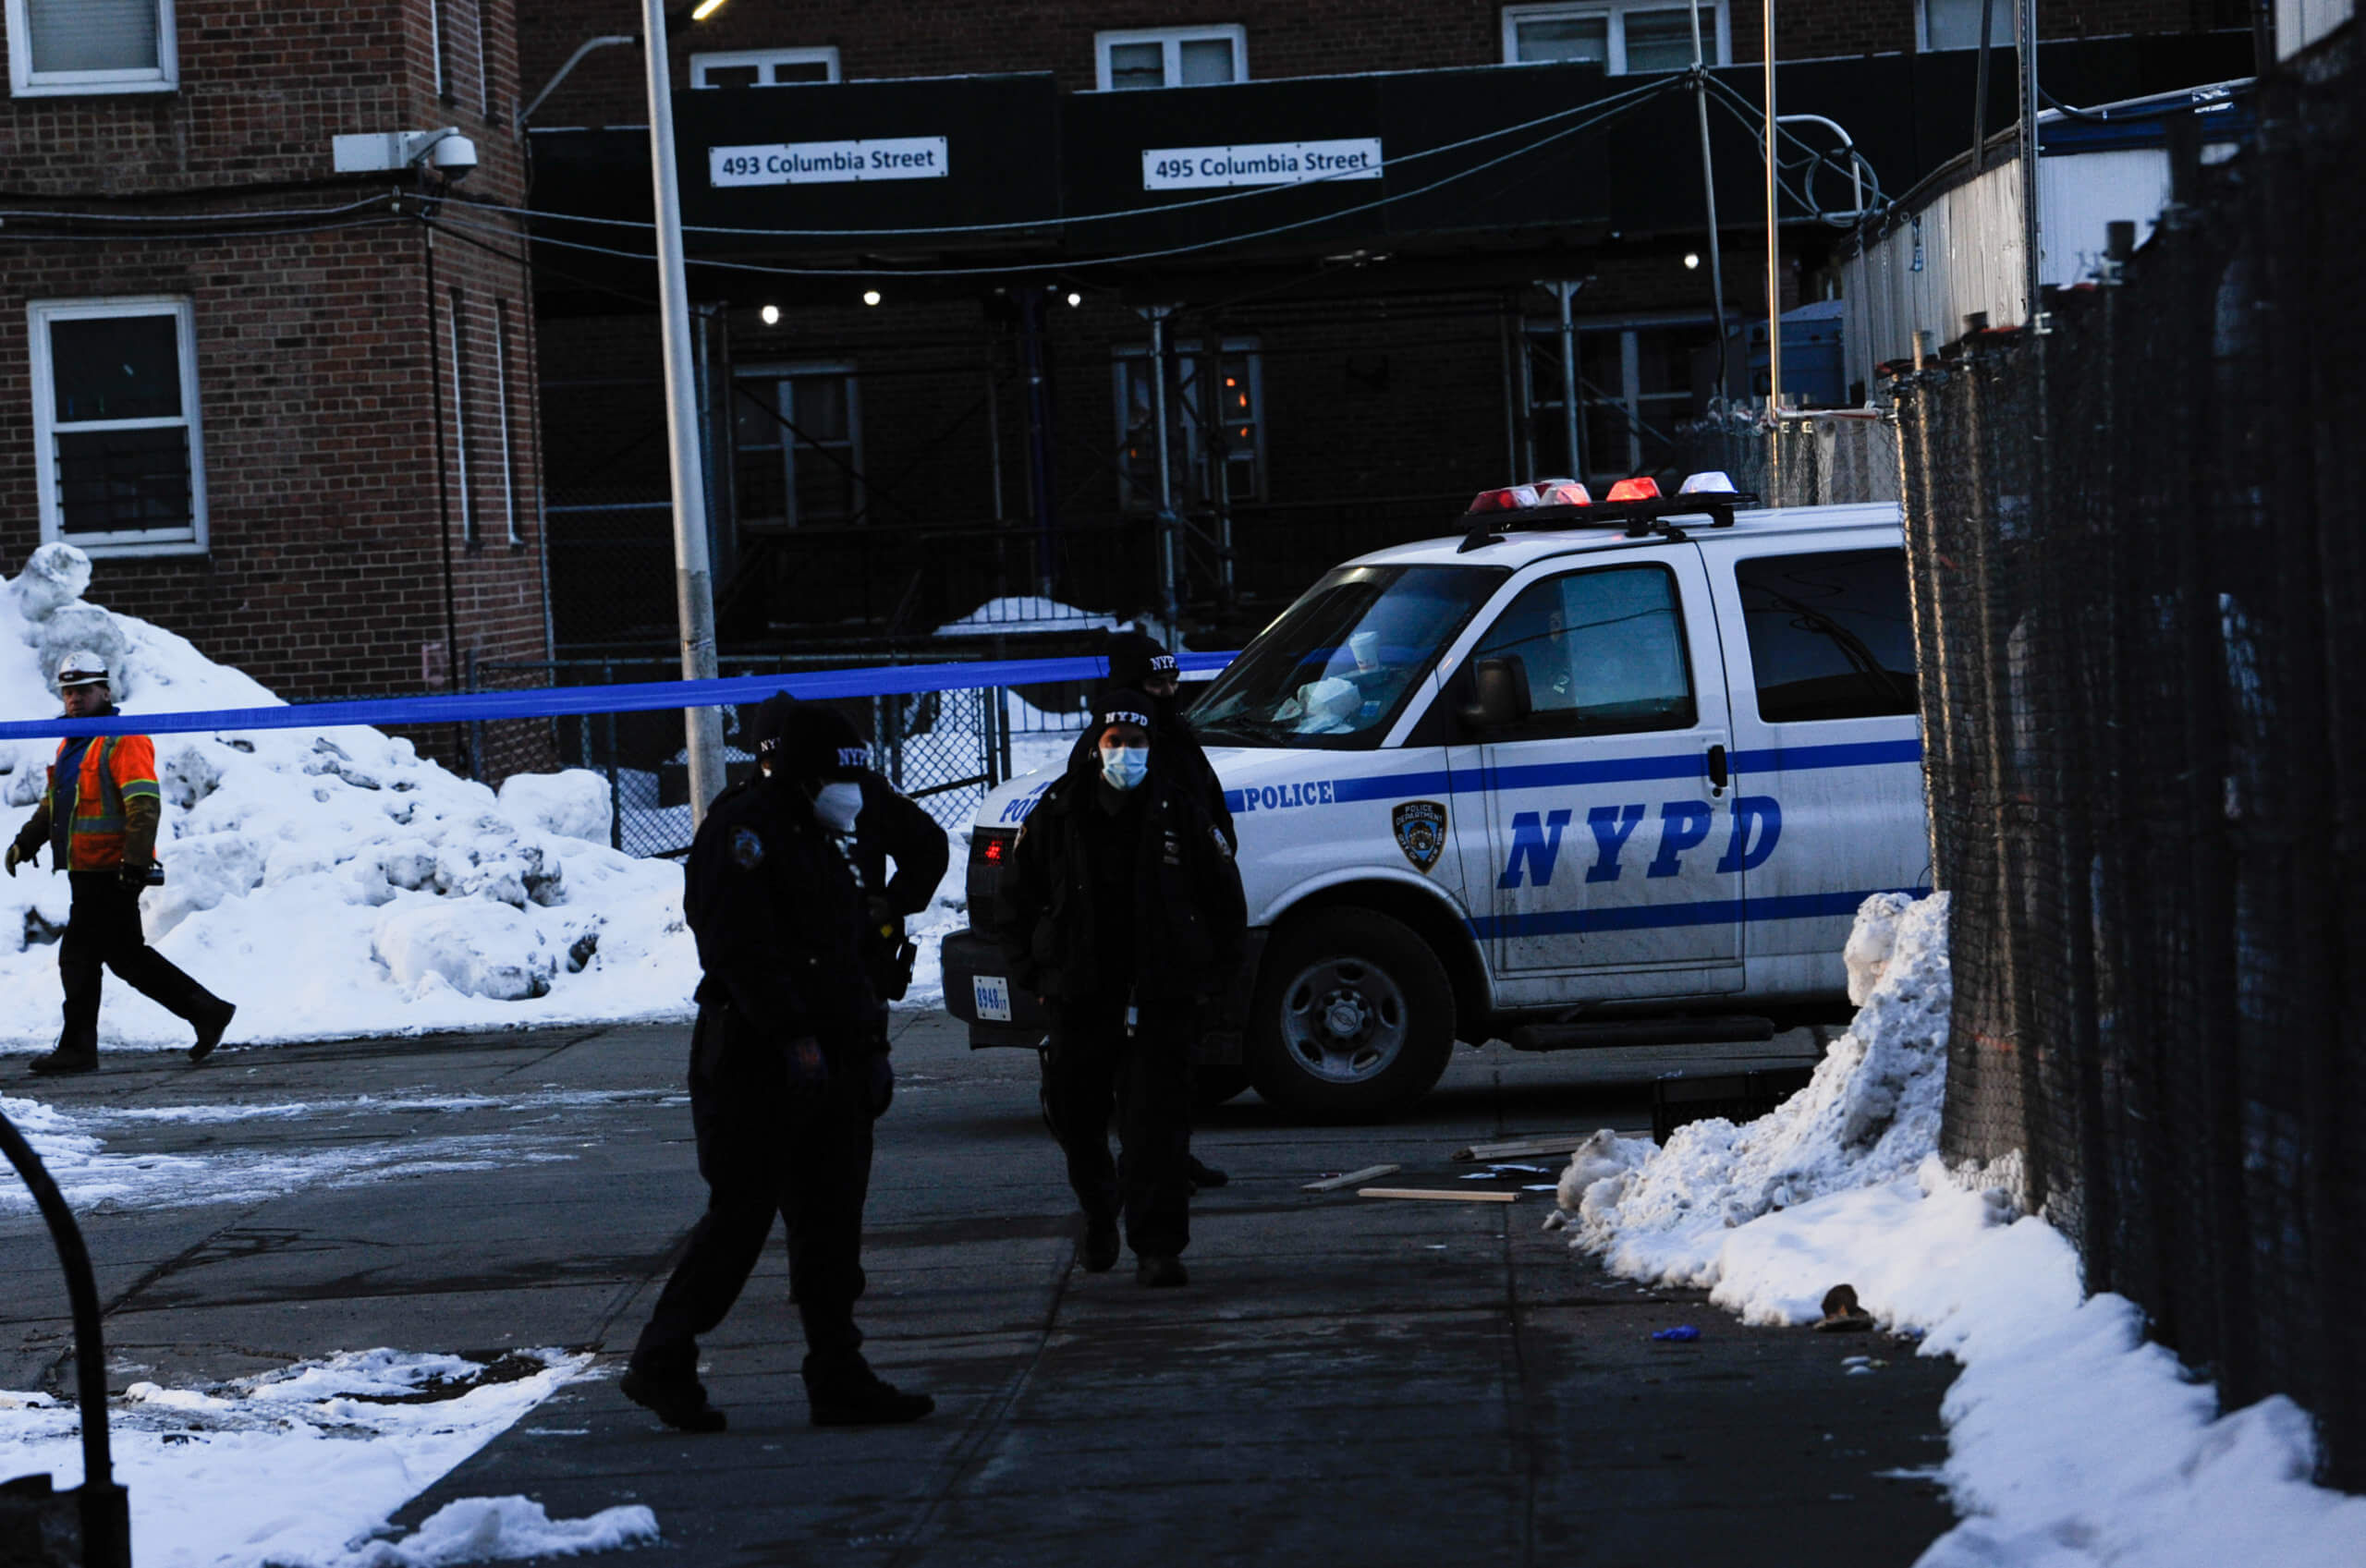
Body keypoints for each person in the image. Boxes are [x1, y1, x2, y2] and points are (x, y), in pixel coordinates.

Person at [620, 696, 932, 1432]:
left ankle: (838, 1370)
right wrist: (795, 1036)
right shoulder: (744, 833)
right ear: (798, 774)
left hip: (833, 1062)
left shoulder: (826, 838)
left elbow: (851, 954)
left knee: (830, 1223)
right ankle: (662, 1358)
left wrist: (871, 1048)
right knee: (741, 1218)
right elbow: (740, 950)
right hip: (758, 1063)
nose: (853, 795)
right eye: (838, 778)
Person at [992, 691, 1246, 1286]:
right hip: (1080, 994)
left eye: (1136, 744)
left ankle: (1158, 1247)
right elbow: (1017, 902)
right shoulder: (1059, 812)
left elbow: (1222, 900)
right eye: (1115, 743)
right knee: (1075, 1116)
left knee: (1156, 1123)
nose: (1126, 754)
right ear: (1096, 747)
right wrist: (1034, 974)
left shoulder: (1178, 811)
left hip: (1160, 993)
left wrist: (1212, 981)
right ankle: (1100, 1210)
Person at [6, 650, 236, 1075]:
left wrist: (134, 861)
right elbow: (55, 803)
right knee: (126, 957)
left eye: (84, 690)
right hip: (86, 870)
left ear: (105, 691)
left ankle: (78, 1048)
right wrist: (27, 841)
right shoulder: (72, 743)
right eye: (68, 691)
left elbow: (144, 804)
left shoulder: (123, 737)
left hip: (112, 871)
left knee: (79, 956)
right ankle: (207, 1011)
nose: (74, 699)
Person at [1102, 630, 1237, 1190]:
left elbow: (1210, 816)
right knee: (1139, 1069)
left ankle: (1171, 1156)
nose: (1169, 692)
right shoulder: (1114, 756)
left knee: (1180, 1064)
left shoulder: (1178, 740)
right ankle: (1143, 1163)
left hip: (1182, 933)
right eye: (1156, 684)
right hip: (1131, 943)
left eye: (1173, 682)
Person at [847, 769, 950, 1012]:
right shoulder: (753, 805)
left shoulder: (857, 788)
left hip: (855, 959)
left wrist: (891, 904)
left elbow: (929, 845)